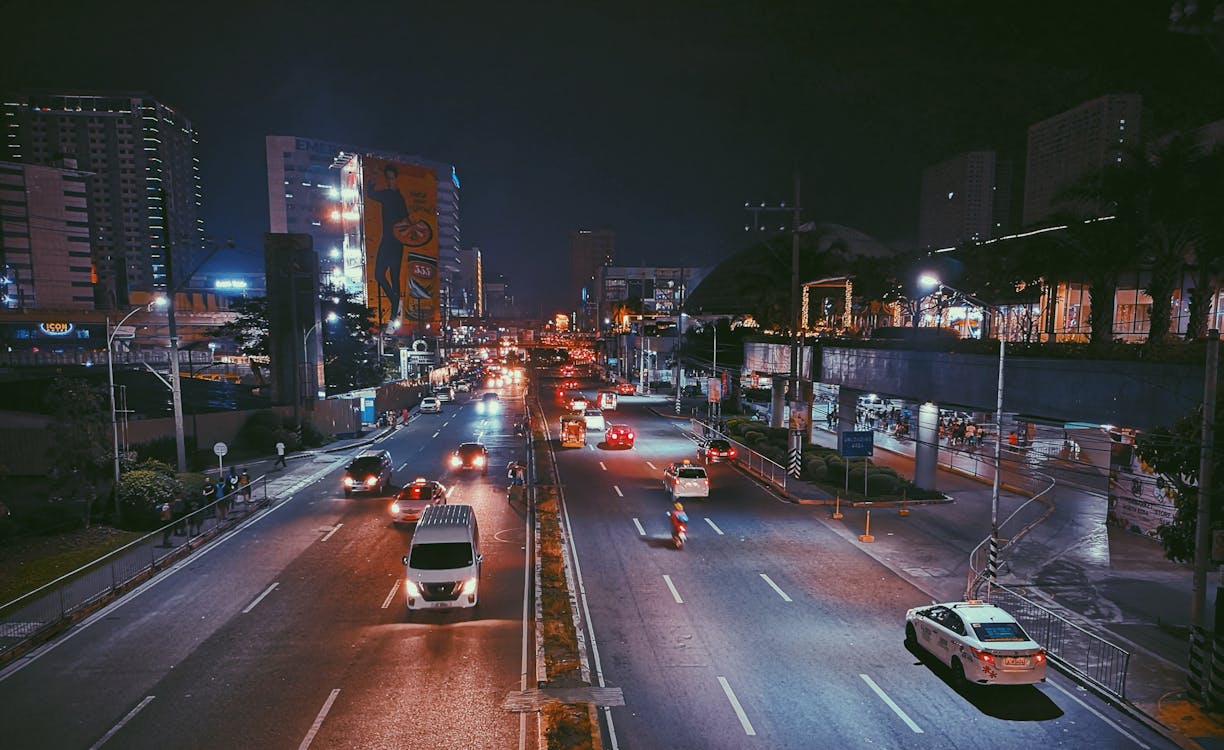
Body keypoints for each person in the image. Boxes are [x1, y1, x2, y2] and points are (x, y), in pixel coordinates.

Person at [367, 162, 410, 323]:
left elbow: (406, 219)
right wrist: (372, 175)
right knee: (379, 274)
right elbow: (370, 193)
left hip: (398, 242)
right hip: (387, 239)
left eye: (392, 178)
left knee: (394, 277)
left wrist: (411, 230)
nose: (390, 181)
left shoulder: (399, 197)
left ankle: (394, 313)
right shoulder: (385, 194)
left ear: (396, 179)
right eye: (388, 178)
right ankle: (394, 302)